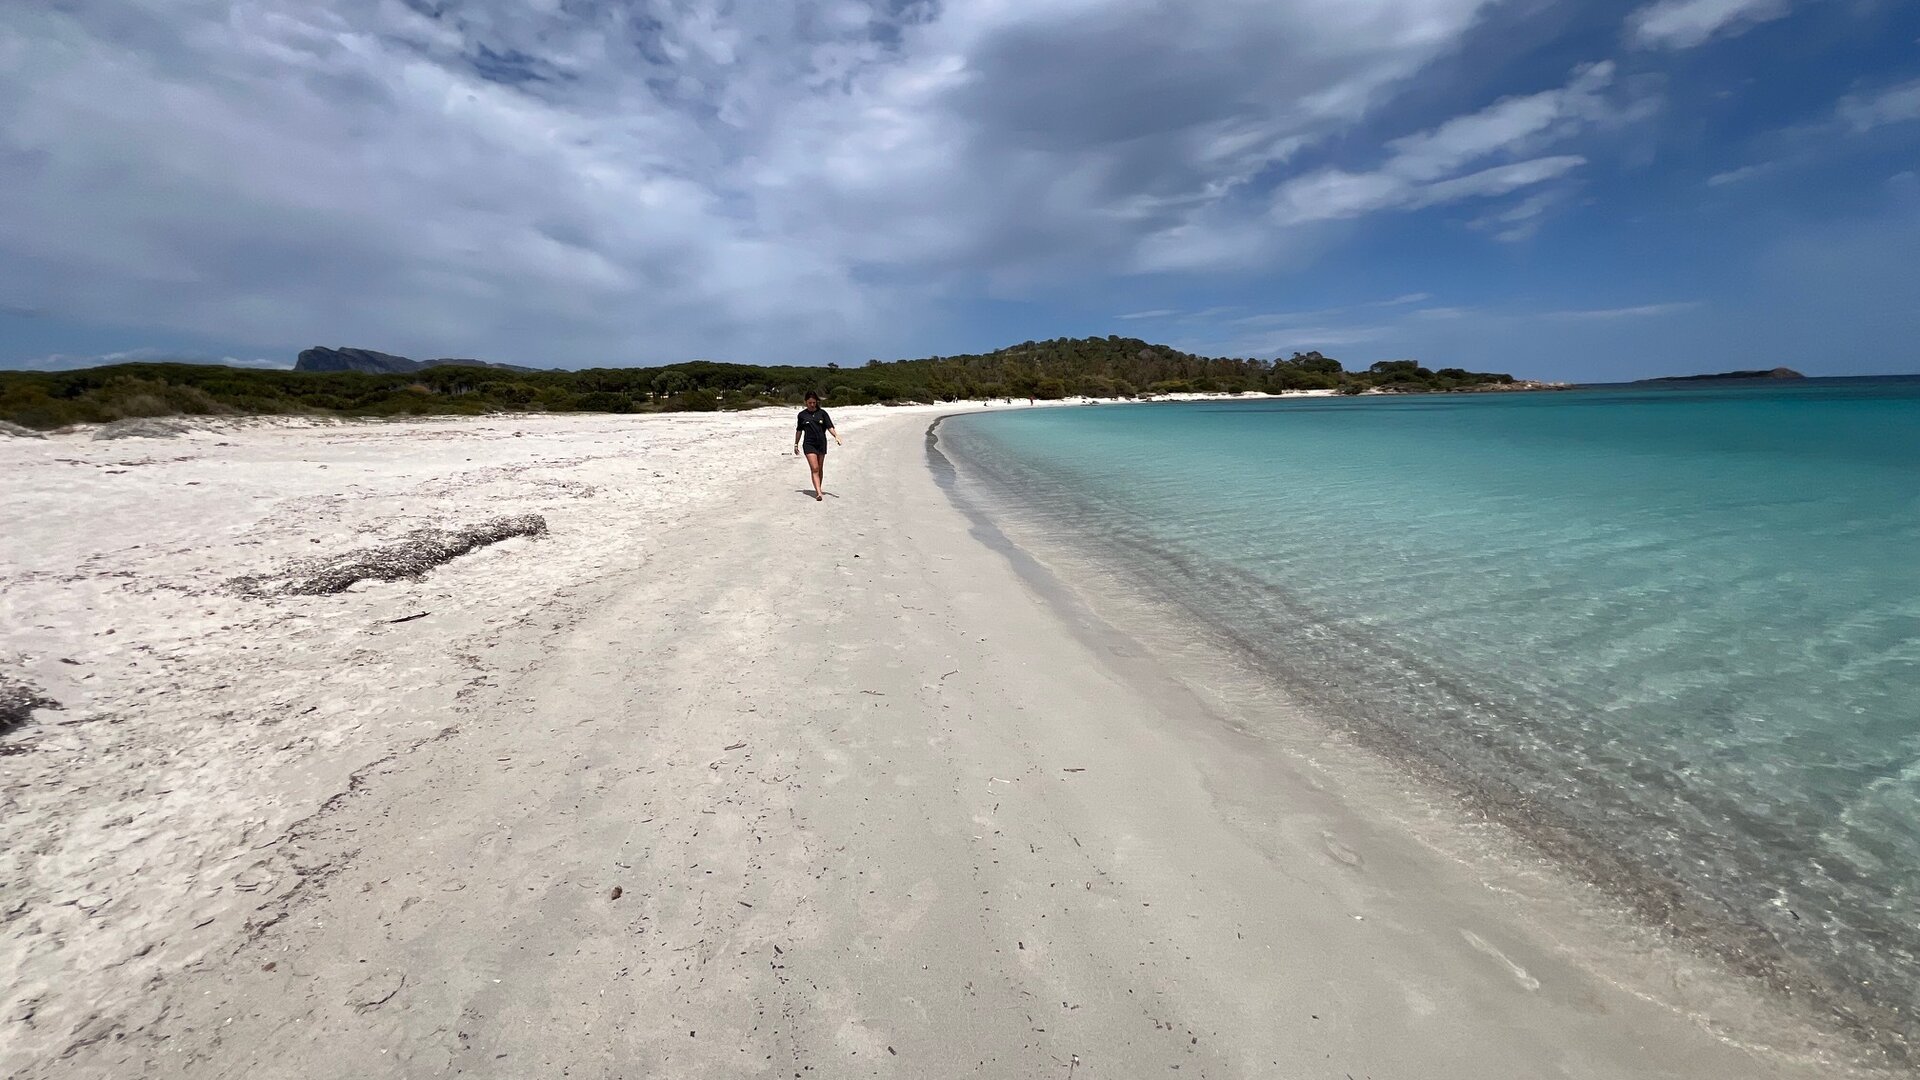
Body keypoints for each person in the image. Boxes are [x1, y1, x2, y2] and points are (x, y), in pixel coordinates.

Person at [793, 391, 841, 501]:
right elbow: (799, 430)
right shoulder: (802, 415)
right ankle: (819, 493)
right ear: (805, 402)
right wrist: (796, 444)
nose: (812, 405)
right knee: (814, 468)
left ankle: (818, 487)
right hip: (809, 444)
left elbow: (829, 427)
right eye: (810, 403)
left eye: (814, 402)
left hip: (821, 444)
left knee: (819, 468)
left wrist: (836, 436)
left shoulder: (822, 413)